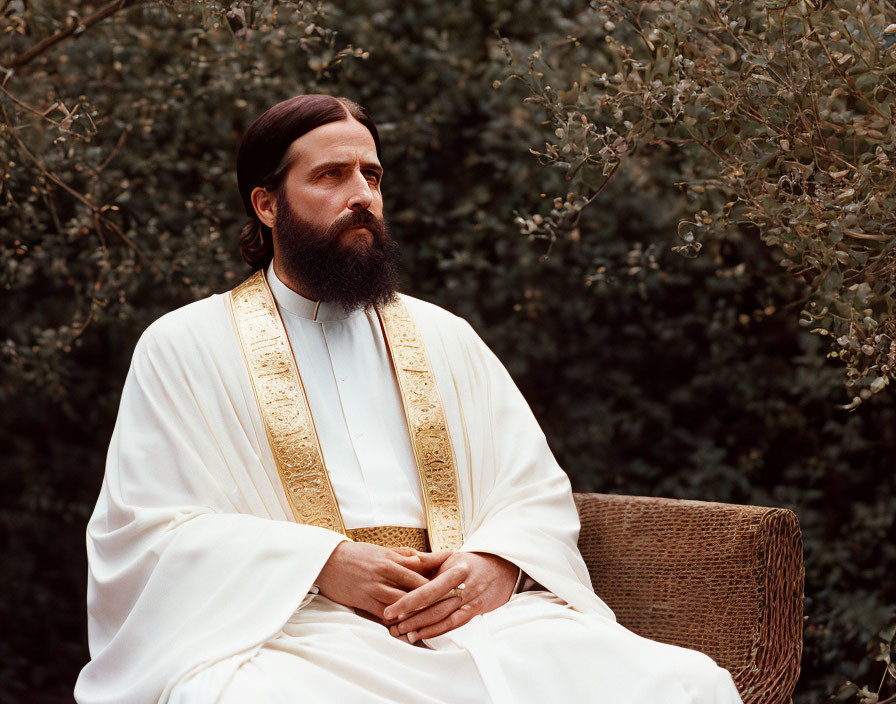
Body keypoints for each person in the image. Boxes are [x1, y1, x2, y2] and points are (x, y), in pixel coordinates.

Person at [74, 94, 744, 704]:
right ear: (267, 204)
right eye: (331, 175)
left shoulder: (444, 337)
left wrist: (499, 560)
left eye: (372, 175)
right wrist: (322, 563)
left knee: (685, 684)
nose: (361, 194)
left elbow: (531, 489)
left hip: (472, 619)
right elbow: (144, 530)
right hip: (295, 629)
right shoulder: (185, 344)